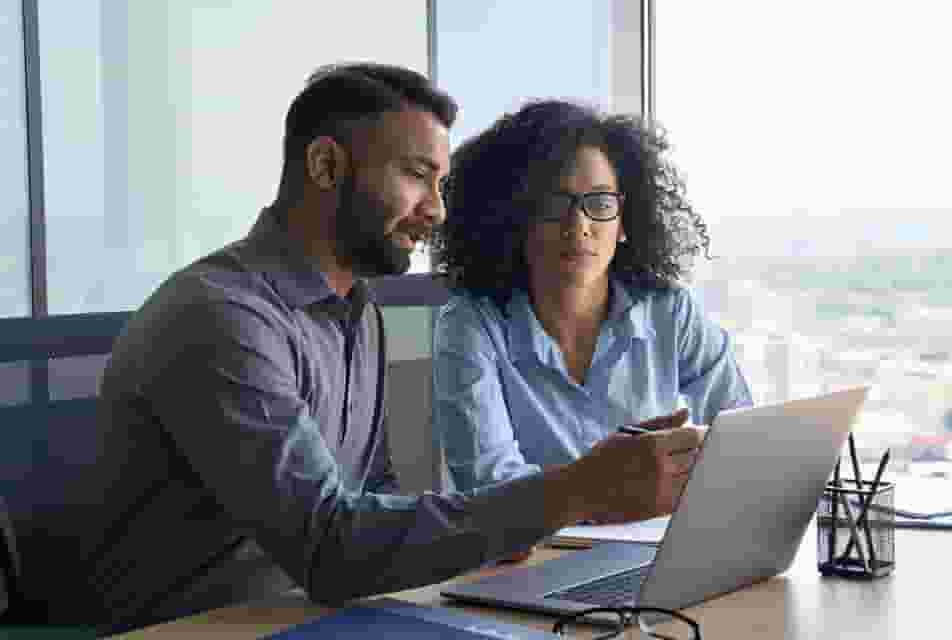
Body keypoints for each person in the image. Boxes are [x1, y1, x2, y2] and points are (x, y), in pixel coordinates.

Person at [21, 65, 704, 635]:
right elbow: (331, 545)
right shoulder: (220, 316)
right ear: (325, 165)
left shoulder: (357, 312)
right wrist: (577, 487)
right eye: (416, 175)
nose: (437, 210)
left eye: (440, 185)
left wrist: (517, 525)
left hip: (311, 616)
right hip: (193, 626)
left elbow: (371, 503)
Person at [432, 99, 752, 492]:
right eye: (554, 204)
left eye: (600, 203)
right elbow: (488, 486)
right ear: (515, 218)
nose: (578, 225)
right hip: (530, 551)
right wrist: (610, 484)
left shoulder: (671, 310)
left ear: (623, 221)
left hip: (657, 539)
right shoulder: (471, 323)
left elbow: (740, 438)